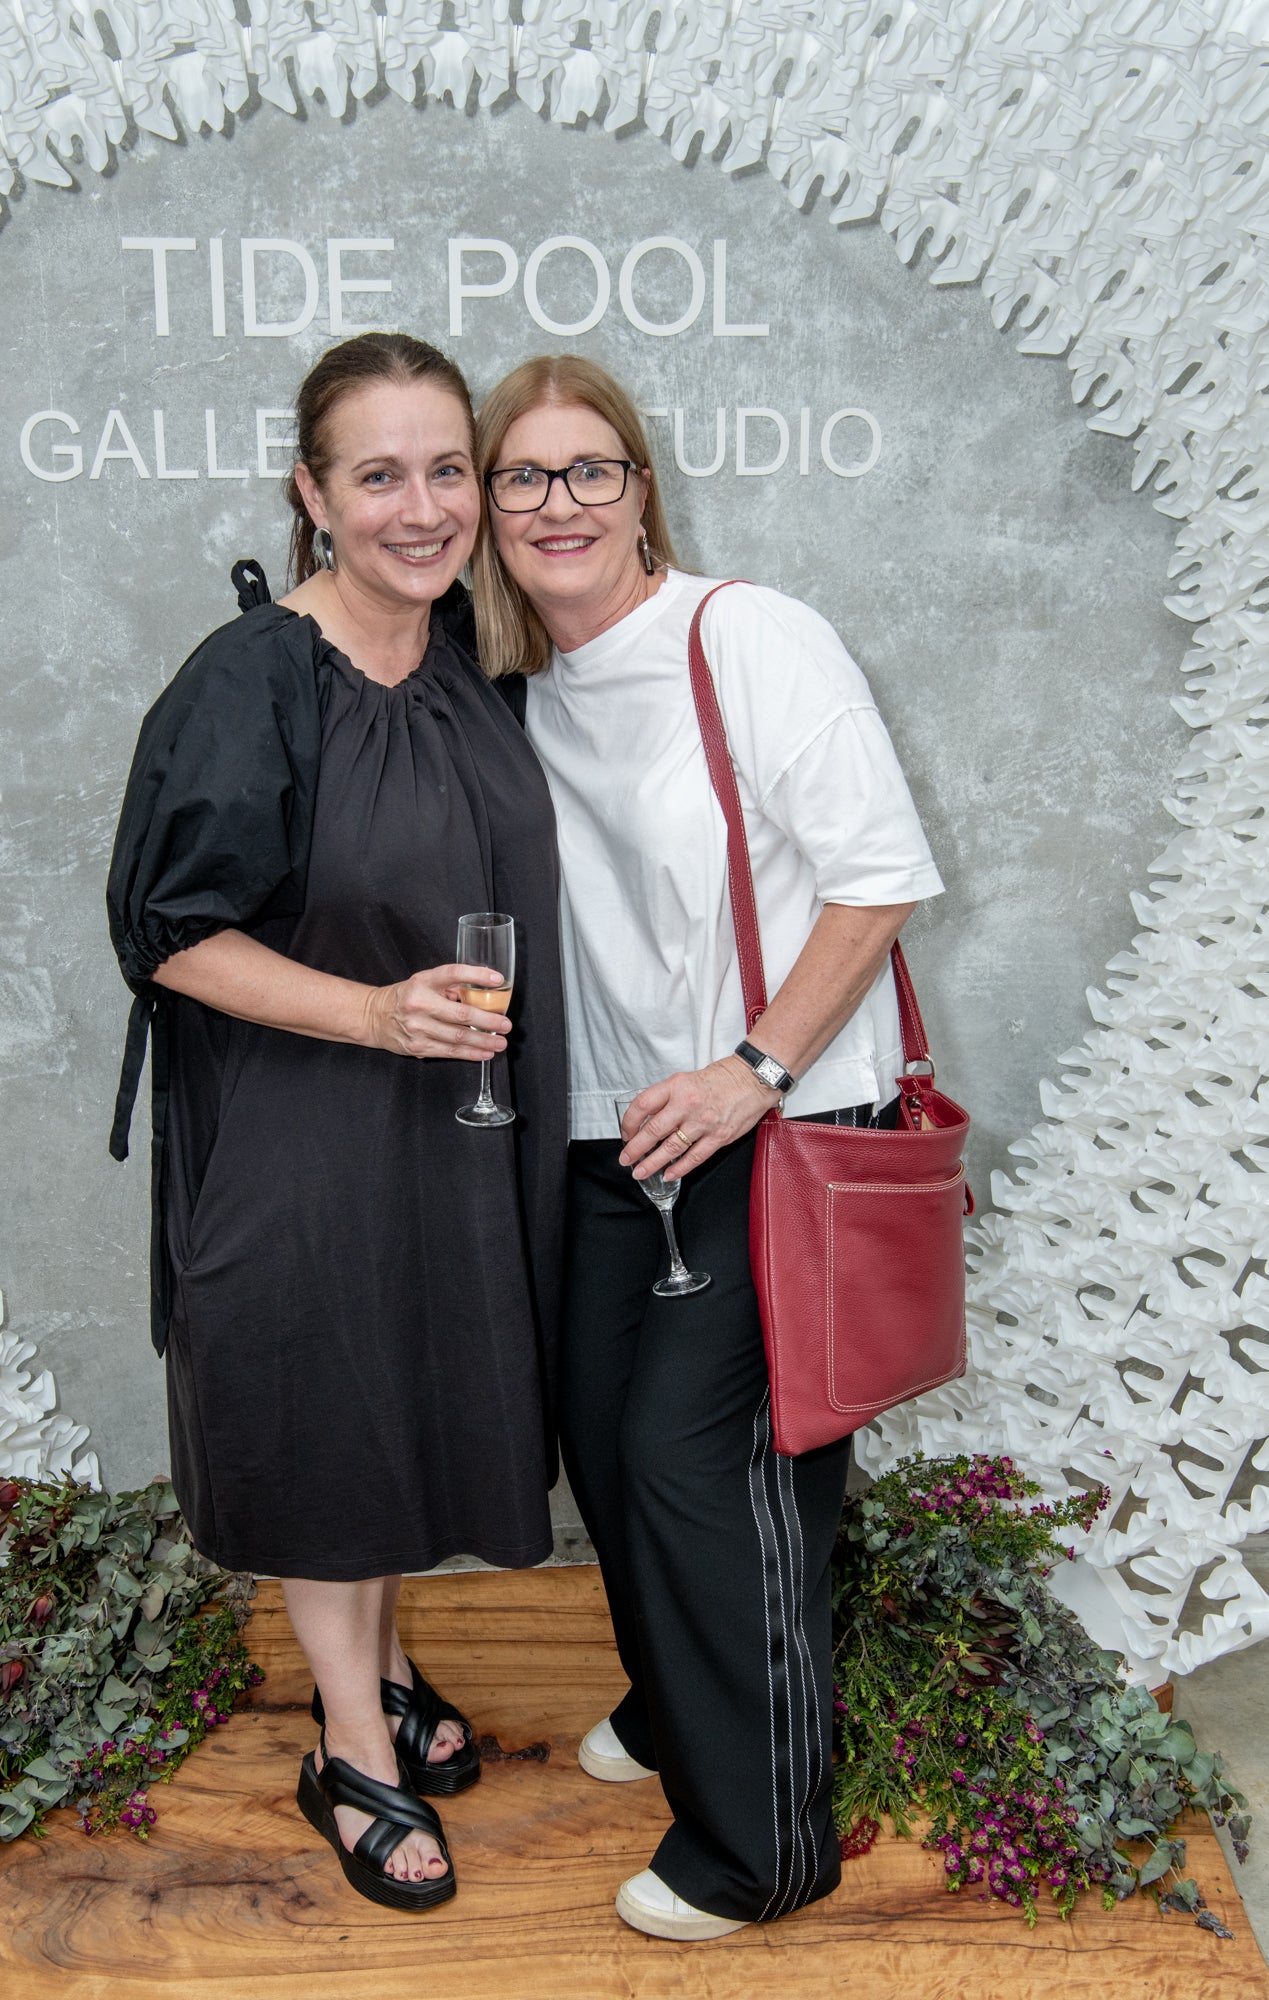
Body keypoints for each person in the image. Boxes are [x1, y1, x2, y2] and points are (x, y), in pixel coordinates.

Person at [471, 355, 944, 1941]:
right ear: (490, 505)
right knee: (606, 1450)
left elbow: (876, 878)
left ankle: (761, 1846)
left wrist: (754, 1067)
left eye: (589, 469)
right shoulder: (519, 688)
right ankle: (682, 1705)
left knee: (697, 1461)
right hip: (614, 1133)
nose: (558, 503)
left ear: (639, 486)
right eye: (524, 475)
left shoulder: (745, 636)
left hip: (778, 1118)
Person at [105, 332, 566, 1911]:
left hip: (444, 1122)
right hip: (299, 1128)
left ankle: (379, 1673)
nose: (422, 508)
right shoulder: (252, 678)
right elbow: (169, 932)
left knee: (397, 1404)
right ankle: (349, 1748)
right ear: (310, 494)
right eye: (379, 476)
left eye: (447, 470)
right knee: (328, 1420)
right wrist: (374, 1015)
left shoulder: (461, 655)